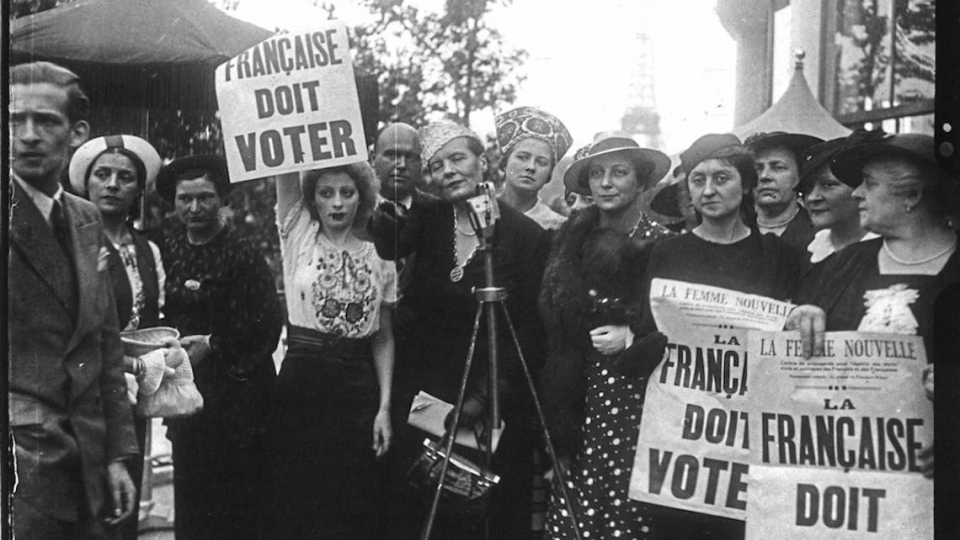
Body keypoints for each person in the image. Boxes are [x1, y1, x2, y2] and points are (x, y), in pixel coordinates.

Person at [369, 121, 550, 539]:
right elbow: (389, 241)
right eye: (436, 166)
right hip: (423, 396)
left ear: (482, 163)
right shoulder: (427, 219)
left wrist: (487, 395)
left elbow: (529, 330)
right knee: (415, 512)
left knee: (480, 516)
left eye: (457, 159)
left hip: (491, 397)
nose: (447, 171)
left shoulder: (527, 237)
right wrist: (386, 222)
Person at [639, 133, 807, 539]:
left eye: (722, 178)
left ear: (746, 184)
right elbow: (649, 336)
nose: (709, 190)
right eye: (698, 181)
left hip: (752, 436)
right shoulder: (668, 254)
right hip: (686, 439)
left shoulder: (779, 256)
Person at [9, 61, 138, 540]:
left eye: (45, 121)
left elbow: (105, 346)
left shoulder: (85, 218)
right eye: (14, 121)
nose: (28, 136)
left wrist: (119, 456)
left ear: (76, 131)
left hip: (87, 462)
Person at [539, 131, 673, 540]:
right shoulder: (569, 239)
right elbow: (553, 320)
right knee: (577, 504)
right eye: (597, 174)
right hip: (578, 392)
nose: (607, 183)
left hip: (637, 394)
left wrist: (635, 334)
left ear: (640, 181)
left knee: (628, 504)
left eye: (619, 173)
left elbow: (676, 323)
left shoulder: (662, 244)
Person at [262, 162, 396, 539]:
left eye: (347, 193)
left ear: (362, 198)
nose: (337, 203)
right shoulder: (299, 235)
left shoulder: (382, 255)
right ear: (312, 200)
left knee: (353, 495)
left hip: (357, 384)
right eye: (326, 193)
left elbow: (383, 336)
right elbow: (282, 168)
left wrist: (384, 407)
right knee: (299, 492)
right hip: (303, 378)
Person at [155, 154, 283, 540]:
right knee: (193, 499)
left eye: (206, 197)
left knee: (239, 503)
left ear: (222, 199)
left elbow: (267, 323)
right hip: (186, 394)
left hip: (238, 400)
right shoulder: (167, 250)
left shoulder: (242, 254)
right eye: (185, 199)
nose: (194, 208)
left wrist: (214, 344)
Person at [68, 134, 181, 540]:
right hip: (83, 395)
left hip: (133, 395)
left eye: (125, 177)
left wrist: (167, 352)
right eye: (103, 174)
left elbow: (154, 315)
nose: (113, 184)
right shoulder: (70, 243)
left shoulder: (148, 250)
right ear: (87, 183)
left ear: (138, 189)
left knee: (125, 509)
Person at [793, 133, 959, 367]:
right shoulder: (846, 261)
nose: (856, 193)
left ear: (913, 194)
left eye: (870, 183)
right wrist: (803, 318)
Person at [800, 134, 877, 263]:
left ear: (861, 189)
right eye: (808, 187)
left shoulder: (884, 252)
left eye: (828, 185)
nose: (812, 197)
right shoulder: (806, 252)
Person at [495, 106, 573, 230]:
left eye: (541, 162)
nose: (531, 167)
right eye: (522, 157)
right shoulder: (480, 212)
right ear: (504, 164)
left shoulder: (557, 227)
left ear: (549, 174)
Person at [745, 131, 823, 248]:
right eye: (758, 168)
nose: (764, 176)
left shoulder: (818, 234)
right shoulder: (734, 230)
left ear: (799, 176)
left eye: (778, 167)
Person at [373, 122, 424, 208]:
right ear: (372, 158)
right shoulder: (355, 210)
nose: (402, 165)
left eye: (410, 157)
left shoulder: (440, 211)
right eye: (392, 155)